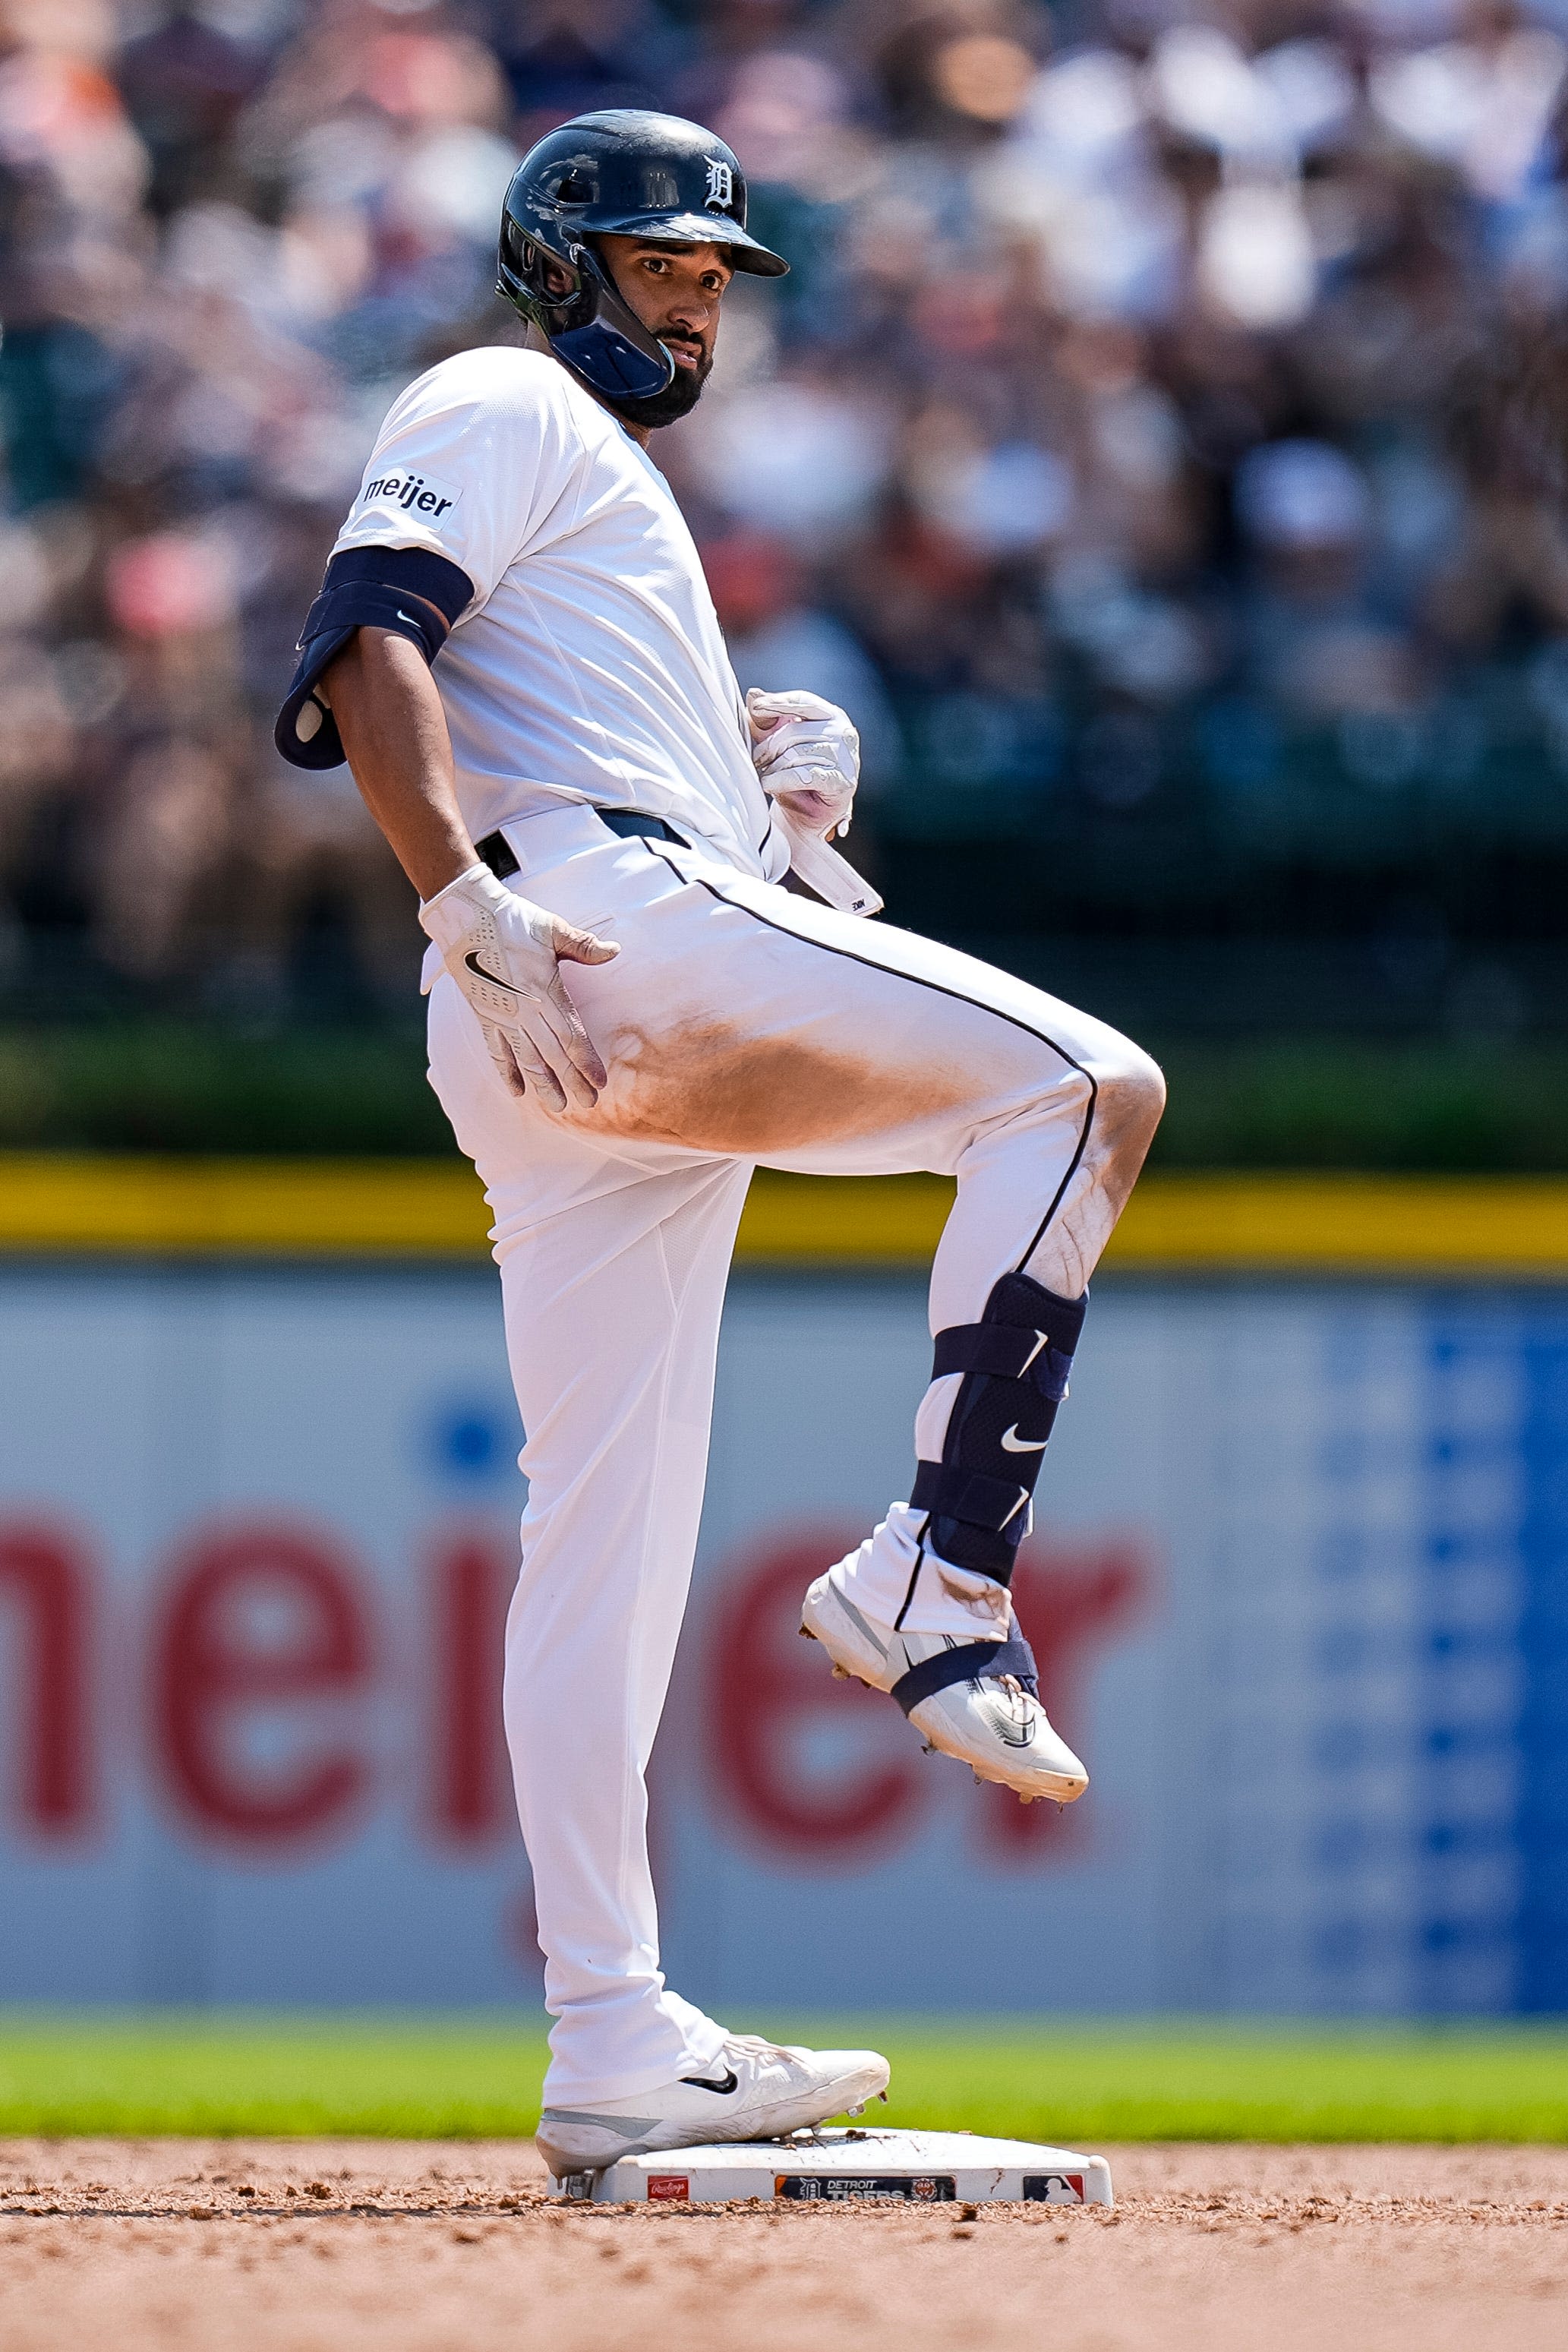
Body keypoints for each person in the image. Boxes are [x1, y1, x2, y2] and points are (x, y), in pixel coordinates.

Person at [274, 109, 1164, 2181]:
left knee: (604, 1538)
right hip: (588, 930)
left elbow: (542, 719)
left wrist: (791, 826)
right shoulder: (496, 392)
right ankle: (934, 1572)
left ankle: (609, 2028)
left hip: (585, 973)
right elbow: (364, 635)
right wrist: (456, 893)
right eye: (662, 257)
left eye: (711, 269)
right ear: (554, 260)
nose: (694, 292)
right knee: (1083, 1091)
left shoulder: (608, 494)